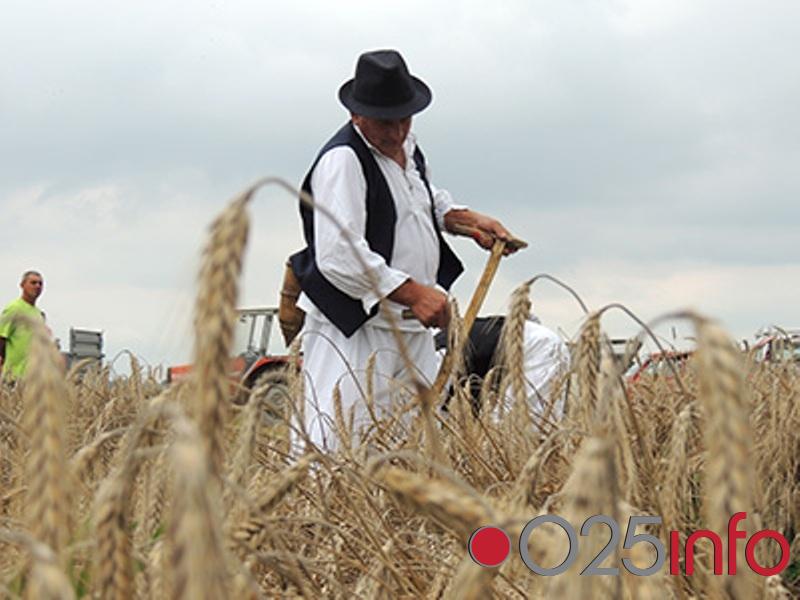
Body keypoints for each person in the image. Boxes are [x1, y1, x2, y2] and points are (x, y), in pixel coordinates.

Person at [290, 49, 519, 449]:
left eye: (403, 119)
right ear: (356, 114)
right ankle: (324, 511)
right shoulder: (343, 161)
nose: (395, 131)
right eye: (384, 121)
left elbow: (423, 199)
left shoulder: (407, 147)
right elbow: (339, 255)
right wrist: (413, 293)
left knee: (406, 441)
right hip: (357, 330)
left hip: (409, 324)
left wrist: (466, 220)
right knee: (339, 439)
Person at [435, 315, 571, 418]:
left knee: (517, 434)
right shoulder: (434, 345)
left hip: (535, 349)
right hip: (531, 343)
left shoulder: (434, 357)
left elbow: (429, 421)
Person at [0, 270, 46, 381]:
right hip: (13, 377)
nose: (37, 286)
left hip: (34, 379)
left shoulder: (40, 315)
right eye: (33, 283)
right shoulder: (13, 308)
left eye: (40, 283)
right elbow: (1, 337)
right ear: (22, 285)